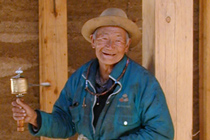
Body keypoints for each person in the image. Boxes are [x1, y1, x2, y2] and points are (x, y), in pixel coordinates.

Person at [12, 8, 174, 140]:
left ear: (127, 45)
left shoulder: (143, 82)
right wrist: (34, 118)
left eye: (118, 40)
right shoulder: (79, 78)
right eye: (104, 38)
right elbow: (66, 123)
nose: (110, 46)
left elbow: (161, 133)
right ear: (93, 41)